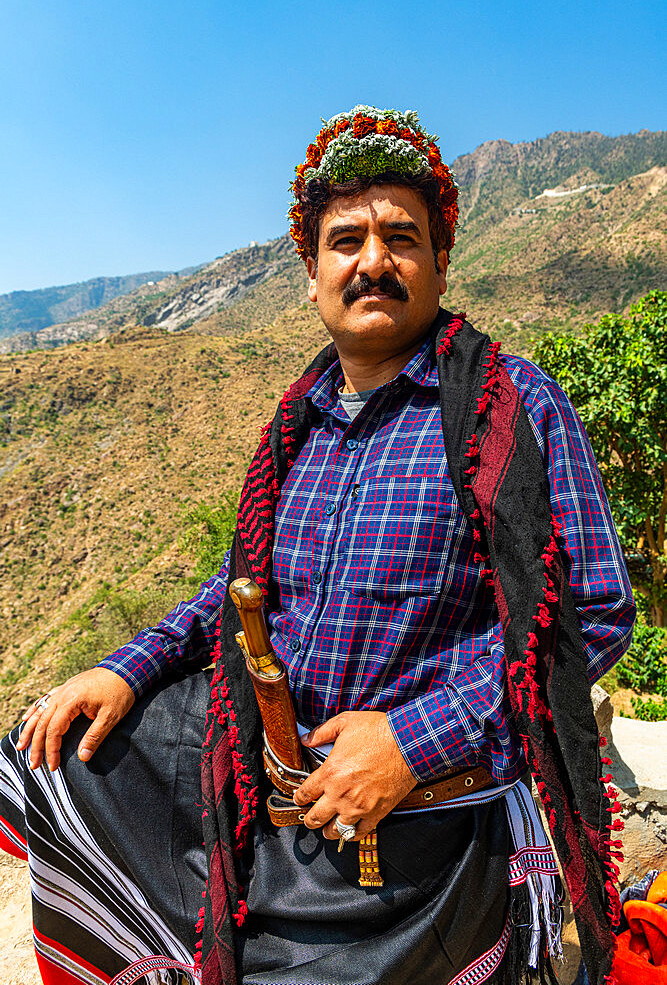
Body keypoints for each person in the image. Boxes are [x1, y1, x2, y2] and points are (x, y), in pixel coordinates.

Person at [1, 106, 635, 985]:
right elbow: (238, 592)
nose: (373, 261)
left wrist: (411, 744)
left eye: (400, 237)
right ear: (310, 273)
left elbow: (589, 615)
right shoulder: (295, 426)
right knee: (54, 757)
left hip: (423, 833)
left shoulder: (510, 410)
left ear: (439, 260)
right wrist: (127, 667)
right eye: (346, 241)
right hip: (276, 794)